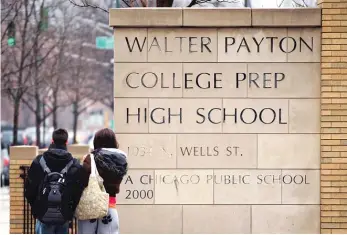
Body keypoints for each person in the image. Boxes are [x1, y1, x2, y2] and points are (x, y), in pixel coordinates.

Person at [24, 129, 86, 234]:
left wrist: (37, 209)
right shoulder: (74, 165)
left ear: (52, 141)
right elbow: (78, 192)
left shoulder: (39, 162)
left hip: (43, 214)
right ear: (66, 142)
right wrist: (69, 211)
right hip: (64, 215)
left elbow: (29, 190)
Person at [78, 128, 128, 234]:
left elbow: (82, 181)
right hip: (110, 205)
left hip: (90, 205)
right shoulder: (121, 160)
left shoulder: (91, 158)